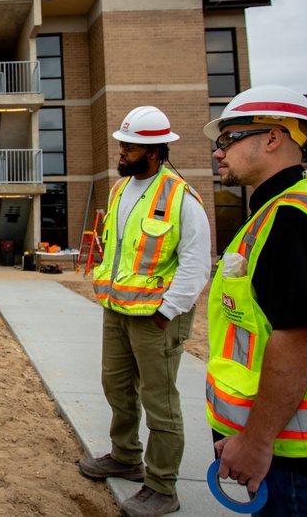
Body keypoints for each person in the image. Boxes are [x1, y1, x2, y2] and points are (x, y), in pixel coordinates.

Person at [204, 85, 307, 514]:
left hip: (305, 456)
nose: (218, 153)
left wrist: (257, 442)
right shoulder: (287, 210)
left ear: (273, 138)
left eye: (228, 140)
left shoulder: (294, 217)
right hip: (306, 446)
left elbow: (298, 337)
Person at [81, 106, 211, 517]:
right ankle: (125, 456)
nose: (121, 153)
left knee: (160, 402)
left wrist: (167, 312)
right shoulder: (120, 191)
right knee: (116, 388)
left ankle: (162, 485)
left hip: (157, 318)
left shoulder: (181, 197)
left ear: (153, 152)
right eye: (122, 144)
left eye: (130, 147)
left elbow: (196, 263)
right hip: (117, 311)